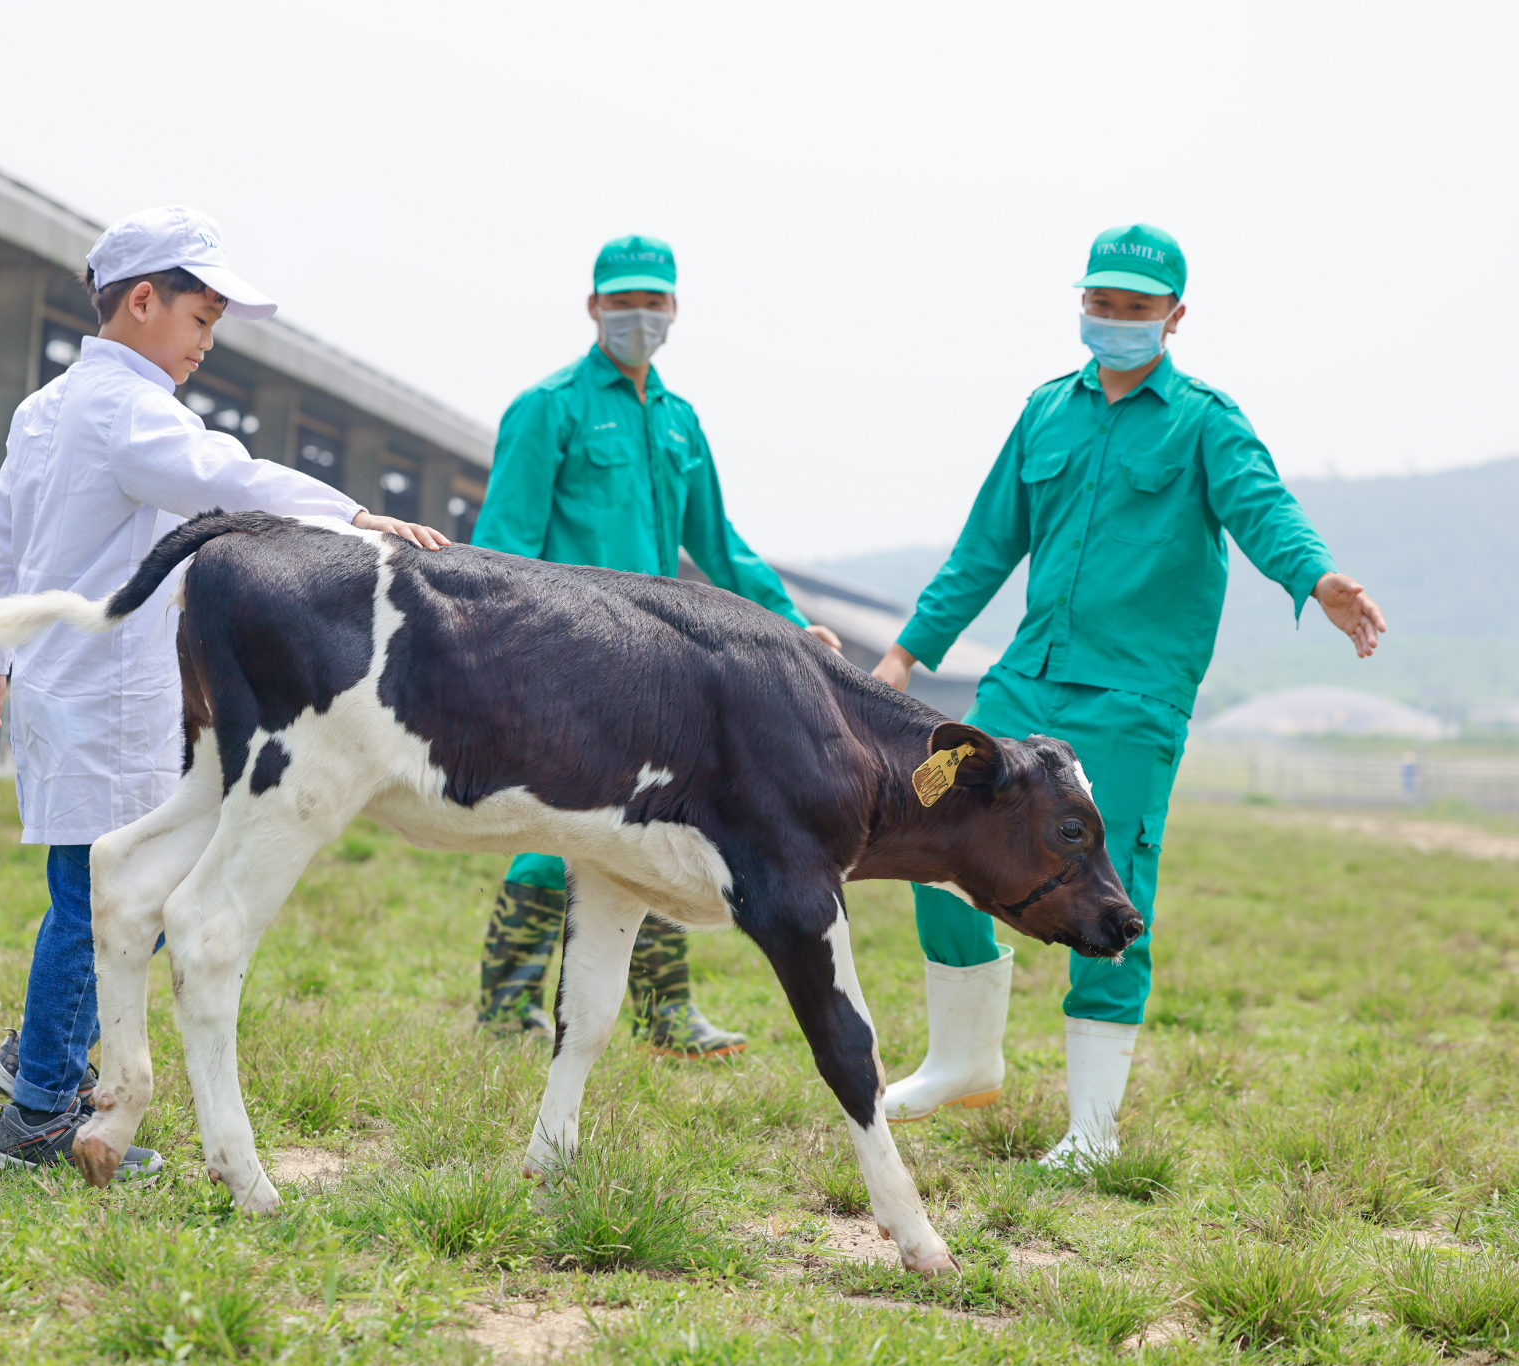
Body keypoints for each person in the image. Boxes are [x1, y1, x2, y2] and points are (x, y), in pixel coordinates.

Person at [0, 205, 449, 1172]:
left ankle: (38, 1056)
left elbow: (2, 542)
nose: (207, 344)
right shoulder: (131, 411)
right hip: (111, 692)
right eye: (200, 319)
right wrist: (353, 520)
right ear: (143, 301)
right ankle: (39, 1113)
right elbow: (229, 480)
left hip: (59, 680)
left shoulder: (46, 408)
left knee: (94, 891)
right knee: (118, 896)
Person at [871, 224, 1387, 1166]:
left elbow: (1263, 510)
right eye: (1100, 305)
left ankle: (1093, 1132)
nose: (1112, 322)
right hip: (1026, 676)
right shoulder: (1044, 413)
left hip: (1133, 697)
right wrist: (908, 654)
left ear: (1175, 317)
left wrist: (1318, 579)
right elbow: (986, 545)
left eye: (1135, 310)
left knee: (1111, 890)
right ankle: (962, 1061)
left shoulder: (1204, 421)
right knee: (938, 833)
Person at [469, 234, 843, 1060]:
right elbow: (500, 547)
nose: (639, 316)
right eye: (623, 300)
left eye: (653, 301)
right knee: (560, 825)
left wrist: (786, 621)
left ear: (674, 309)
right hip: (567, 662)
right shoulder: (548, 408)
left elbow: (719, 541)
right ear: (593, 306)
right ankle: (505, 1002)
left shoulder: (679, 424)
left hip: (664, 668)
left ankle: (667, 1014)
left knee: (664, 829)